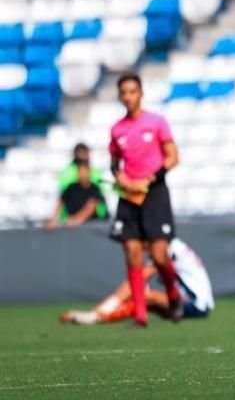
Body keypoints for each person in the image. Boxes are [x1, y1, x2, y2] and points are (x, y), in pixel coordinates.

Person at [109, 73, 182, 327]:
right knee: (132, 252)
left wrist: (149, 180)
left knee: (160, 256)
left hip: (154, 193)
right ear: (120, 96)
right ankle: (140, 315)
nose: (128, 96)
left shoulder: (157, 122)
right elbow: (114, 164)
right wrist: (120, 178)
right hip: (129, 196)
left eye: (132, 91)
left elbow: (173, 157)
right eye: (124, 92)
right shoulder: (117, 129)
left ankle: (173, 295)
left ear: (140, 93)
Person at [60, 238, 214, 324]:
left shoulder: (168, 248)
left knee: (145, 295)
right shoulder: (171, 244)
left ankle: (96, 316)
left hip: (197, 304)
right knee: (142, 302)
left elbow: (139, 278)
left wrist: (109, 303)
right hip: (189, 301)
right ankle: (98, 317)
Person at [44, 161, 108, 229]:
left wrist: (76, 219)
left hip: (90, 226)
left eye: (84, 171)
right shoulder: (71, 187)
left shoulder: (94, 189)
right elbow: (60, 203)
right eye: (80, 171)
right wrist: (54, 219)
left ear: (89, 172)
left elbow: (90, 207)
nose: (82, 173)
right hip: (72, 225)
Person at [56, 142, 108, 222]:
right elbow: (65, 197)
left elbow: (95, 198)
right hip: (72, 219)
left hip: (89, 219)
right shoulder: (68, 173)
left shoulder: (94, 172)